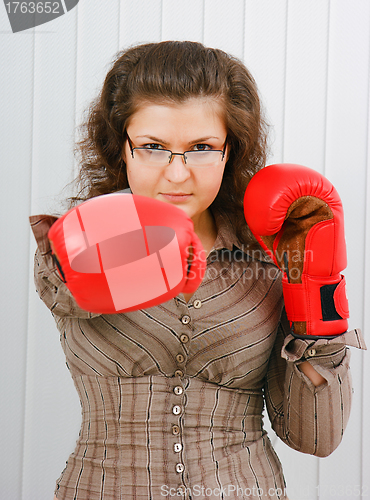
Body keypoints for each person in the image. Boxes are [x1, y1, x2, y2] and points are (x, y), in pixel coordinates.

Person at [29, 41, 366, 500]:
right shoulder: (78, 241)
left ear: (230, 151)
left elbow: (317, 438)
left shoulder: (269, 257)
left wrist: (315, 291)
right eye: (152, 146)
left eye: (202, 147)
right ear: (120, 146)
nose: (176, 174)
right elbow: (66, 291)